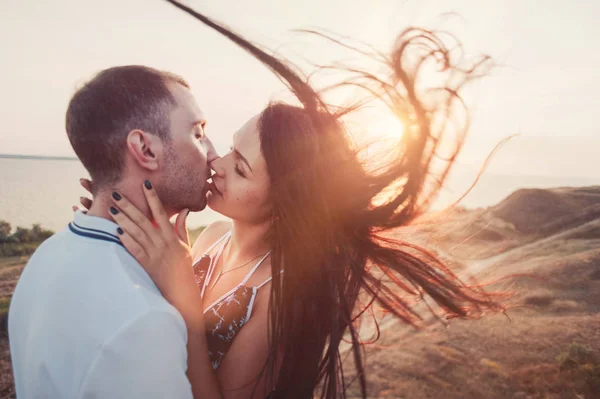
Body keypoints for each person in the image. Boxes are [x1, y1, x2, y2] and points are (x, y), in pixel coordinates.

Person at [99, 2, 505, 398]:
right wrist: (115, 207)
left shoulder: (280, 293)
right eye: (229, 149)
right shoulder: (212, 238)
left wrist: (182, 294)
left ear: (284, 202)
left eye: (241, 169)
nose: (216, 163)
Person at [8, 65, 219, 398]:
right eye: (197, 132)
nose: (214, 154)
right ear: (145, 149)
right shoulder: (143, 322)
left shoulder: (46, 256)